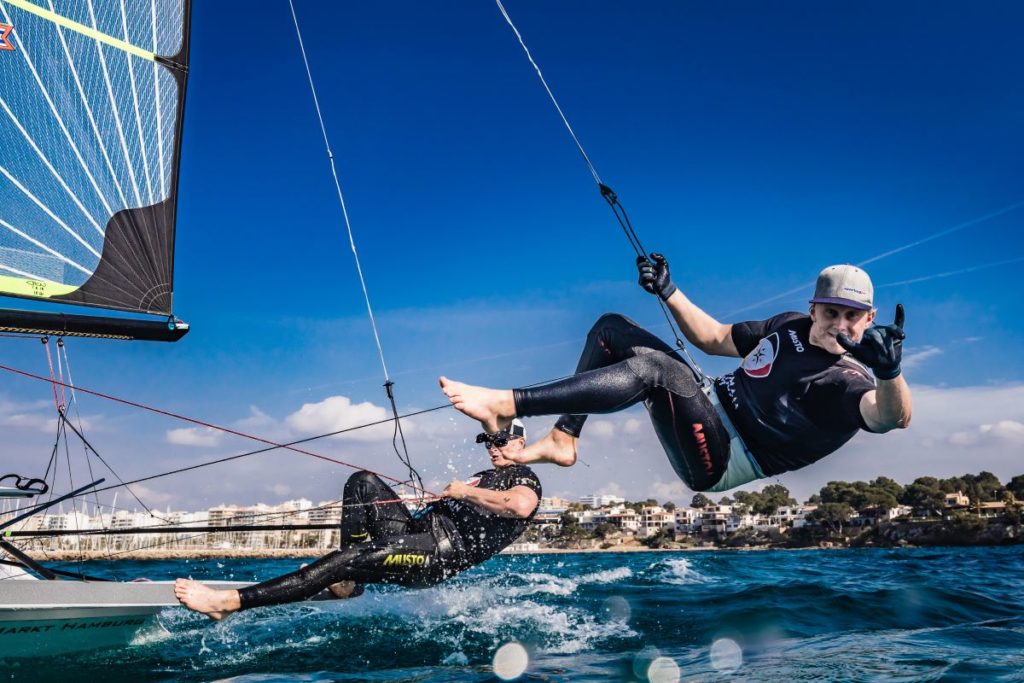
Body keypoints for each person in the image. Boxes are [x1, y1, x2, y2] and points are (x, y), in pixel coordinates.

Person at [440, 256, 912, 493]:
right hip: (705, 404)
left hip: (724, 459)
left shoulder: (848, 380)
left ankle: (506, 403)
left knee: (658, 371)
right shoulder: (787, 325)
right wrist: (668, 289)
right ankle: (564, 438)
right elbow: (713, 337)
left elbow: (891, 417)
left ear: (869, 320)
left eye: (853, 317)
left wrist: (889, 371)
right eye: (831, 312)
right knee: (610, 329)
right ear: (814, 308)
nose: (841, 325)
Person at [175, 419, 541, 619]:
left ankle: (229, 603)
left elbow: (521, 506)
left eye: (502, 441)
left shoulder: (524, 477)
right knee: (362, 482)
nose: (494, 447)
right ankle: (350, 583)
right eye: (489, 441)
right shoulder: (487, 472)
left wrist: (466, 492)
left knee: (339, 562)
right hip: (417, 532)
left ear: (521, 444)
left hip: (437, 556)